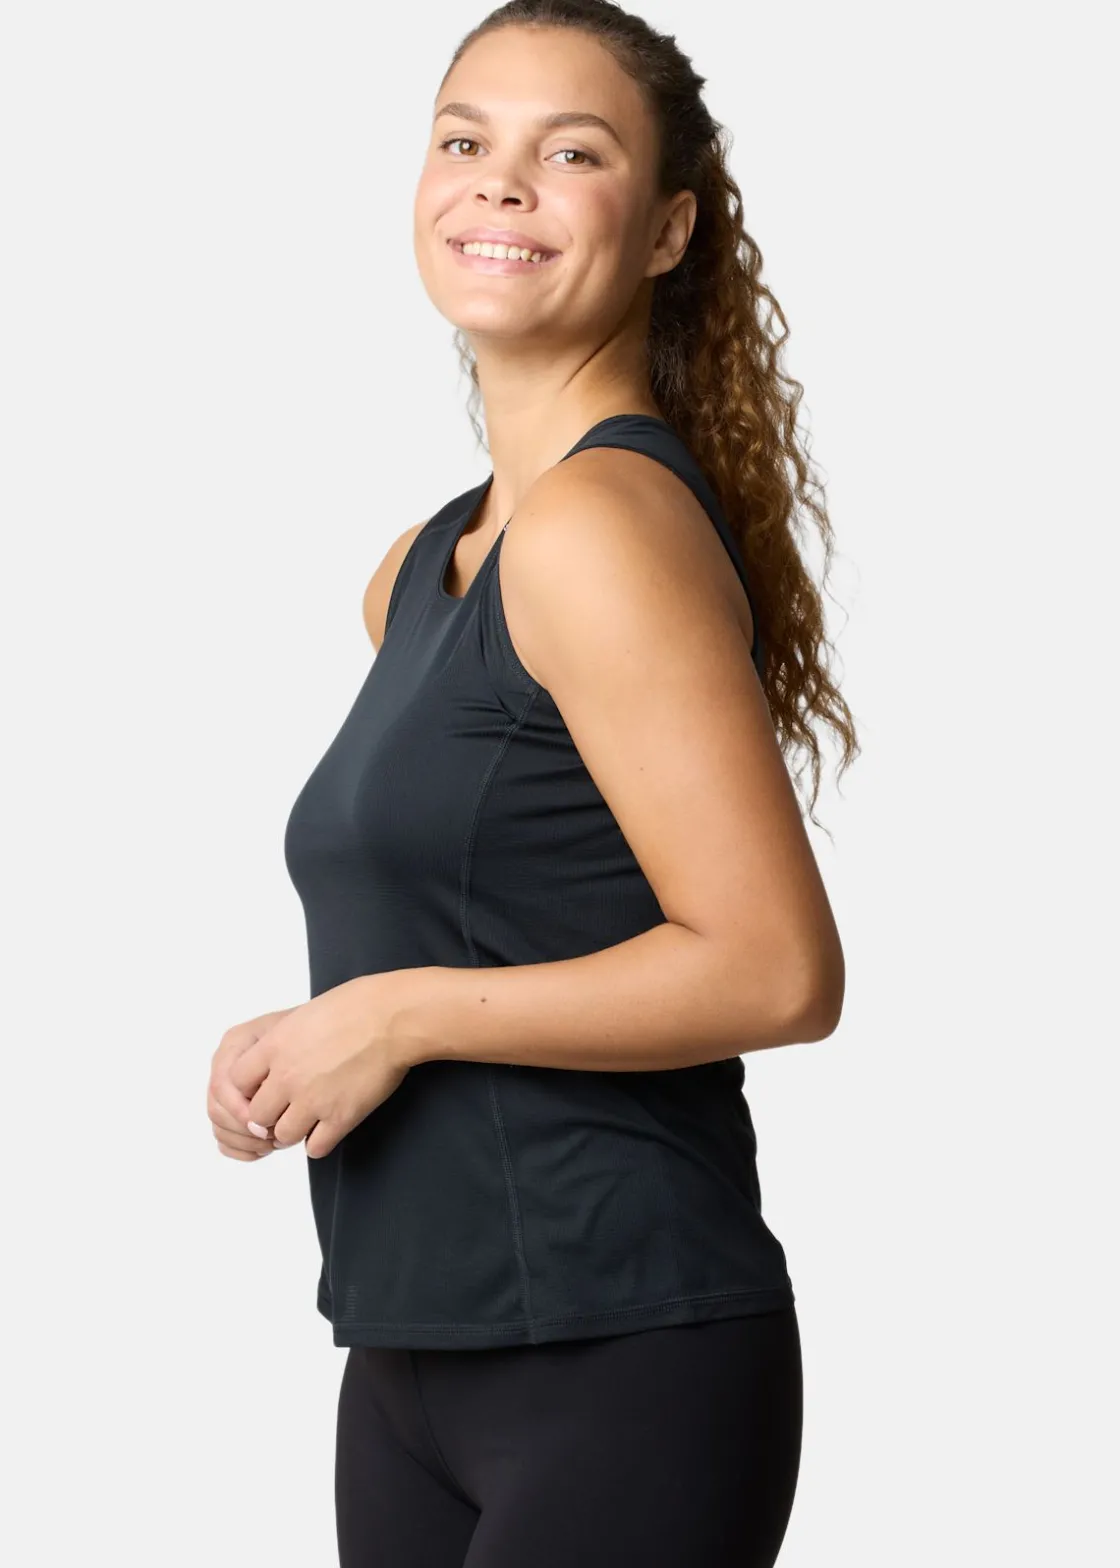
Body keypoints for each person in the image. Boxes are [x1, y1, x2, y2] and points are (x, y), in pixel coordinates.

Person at [206, 2, 859, 1563]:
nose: (500, 182)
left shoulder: (597, 529)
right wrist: (307, 1034)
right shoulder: (423, 567)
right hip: (411, 1353)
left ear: (667, 230)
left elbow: (778, 969)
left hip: (615, 1345)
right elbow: (496, 907)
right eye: (465, 140)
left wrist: (395, 1016)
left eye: (571, 154)